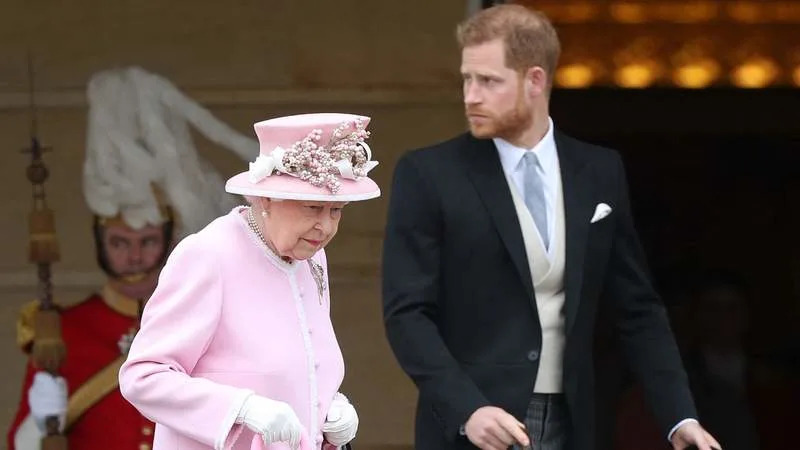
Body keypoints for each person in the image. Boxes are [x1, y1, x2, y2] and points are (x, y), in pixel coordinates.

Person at [380, 5, 721, 450]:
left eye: (489, 81)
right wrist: (466, 408)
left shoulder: (599, 171)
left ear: (535, 80)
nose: (470, 96)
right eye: (467, 78)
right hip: (473, 429)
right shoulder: (428, 174)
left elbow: (637, 310)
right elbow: (406, 314)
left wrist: (679, 417)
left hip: (573, 423)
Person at [7, 66, 258, 450]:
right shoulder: (63, 331)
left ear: (169, 238)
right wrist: (38, 426)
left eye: (147, 241)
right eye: (120, 243)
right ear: (99, 242)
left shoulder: (202, 318)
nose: (134, 256)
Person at [118, 113, 380, 450]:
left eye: (336, 210)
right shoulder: (208, 255)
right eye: (313, 207)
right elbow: (143, 377)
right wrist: (241, 408)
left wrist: (330, 409)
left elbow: (298, 366)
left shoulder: (311, 256)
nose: (326, 227)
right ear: (266, 198)